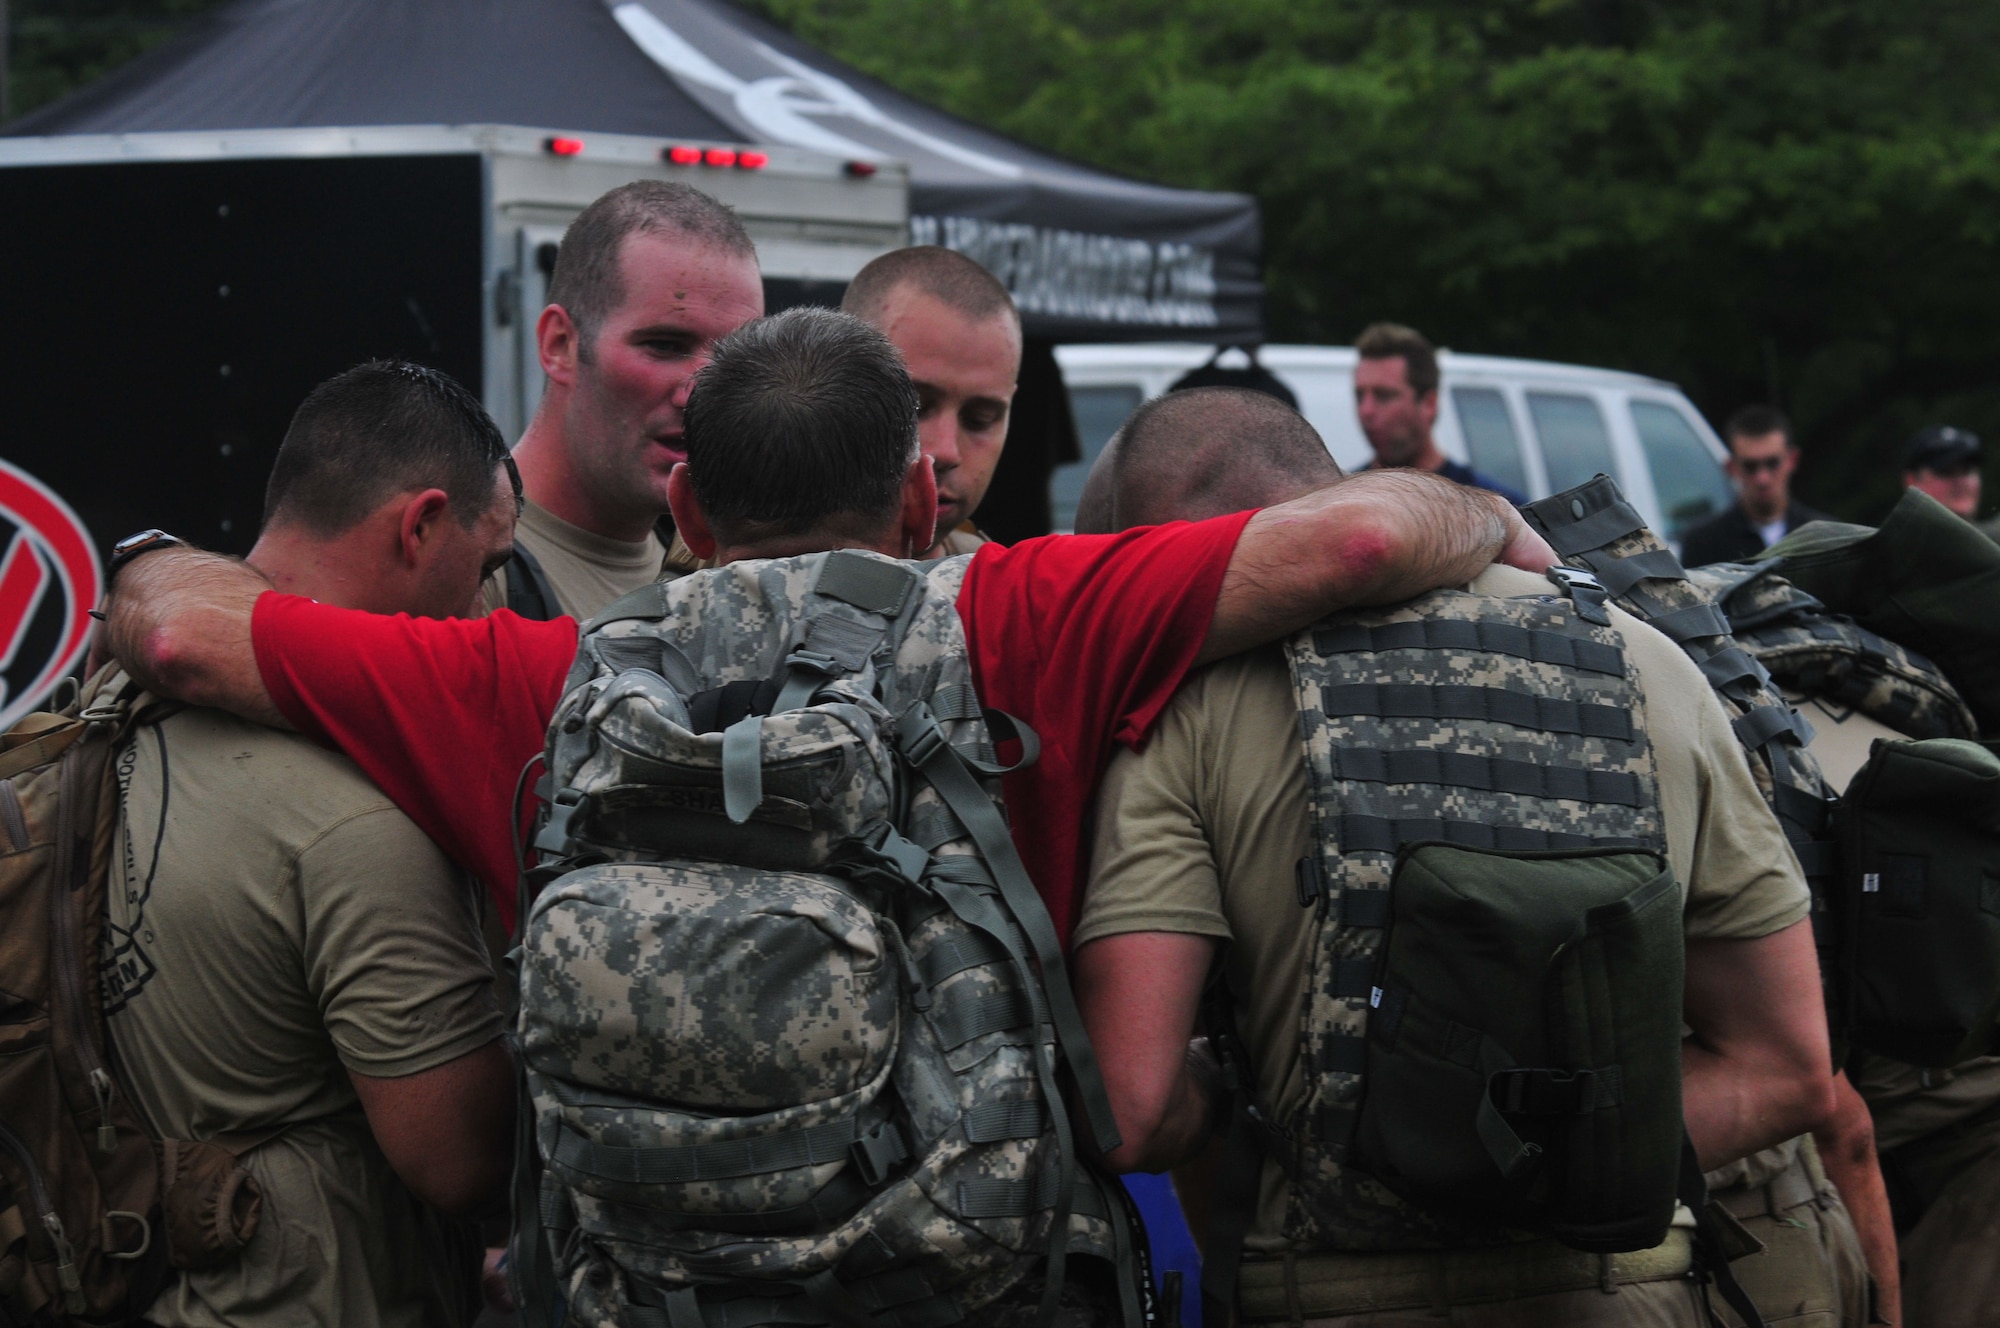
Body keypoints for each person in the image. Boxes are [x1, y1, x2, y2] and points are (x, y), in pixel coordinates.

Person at [103, 311, 1555, 952]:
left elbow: (173, 634)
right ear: (925, 503)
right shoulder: (1029, 616)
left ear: (685, 507)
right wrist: (1491, 522)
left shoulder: (530, 678)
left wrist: (155, 553)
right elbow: (1362, 535)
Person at [1073, 387, 1837, 1326]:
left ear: (1170, 557)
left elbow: (1135, 1108)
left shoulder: (1183, 715)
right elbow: (1792, 1068)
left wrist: (1289, 1110)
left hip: (1335, 1292)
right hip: (1623, 1291)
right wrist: (1555, 1150)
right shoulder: (1653, 664)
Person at [103, 361, 516, 1326]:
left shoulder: (107, 698)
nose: (490, 609)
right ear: (418, 527)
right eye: (487, 566)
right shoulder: (358, 820)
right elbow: (461, 1164)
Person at [483, 180, 764, 618]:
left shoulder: (728, 572)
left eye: (737, 355)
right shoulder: (468, 567)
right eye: (666, 345)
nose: (705, 392)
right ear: (560, 345)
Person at [843, 245, 1021, 557]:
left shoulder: (1000, 593)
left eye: (979, 419)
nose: (947, 452)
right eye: (914, 408)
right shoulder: (745, 583)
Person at [1352, 322, 1527, 503]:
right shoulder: (1345, 501)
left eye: (1384, 396)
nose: (1366, 410)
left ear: (1429, 403)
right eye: (1359, 396)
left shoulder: (1493, 509)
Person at [1680, 406, 1829, 567]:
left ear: (1792, 460)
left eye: (1772, 463)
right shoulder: (1703, 543)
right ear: (1731, 467)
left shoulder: (1824, 537)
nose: (1762, 479)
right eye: (1750, 466)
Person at [1901, 425, 1984, 523]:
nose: (1960, 482)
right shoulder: (1888, 538)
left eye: (1967, 471)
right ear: (1912, 481)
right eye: (1946, 471)